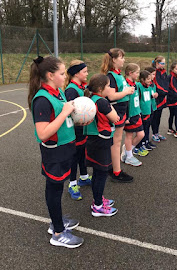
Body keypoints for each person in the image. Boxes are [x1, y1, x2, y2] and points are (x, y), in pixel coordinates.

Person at [28, 55, 83, 248]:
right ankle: (58, 232)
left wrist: (78, 117)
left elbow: (63, 119)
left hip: (65, 148)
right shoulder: (42, 99)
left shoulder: (58, 92)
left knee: (58, 187)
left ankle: (56, 219)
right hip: (54, 153)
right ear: (50, 75)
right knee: (54, 187)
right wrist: (64, 113)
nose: (65, 76)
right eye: (62, 73)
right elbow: (43, 133)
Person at [84, 74, 119, 216]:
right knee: (101, 173)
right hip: (100, 141)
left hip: (95, 141)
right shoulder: (102, 102)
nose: (110, 88)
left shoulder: (92, 99)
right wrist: (110, 103)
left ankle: (97, 199)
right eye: (108, 86)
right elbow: (115, 118)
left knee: (98, 173)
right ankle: (97, 206)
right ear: (100, 88)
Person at [101, 48, 135, 183]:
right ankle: (116, 171)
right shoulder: (110, 76)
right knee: (116, 143)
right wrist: (126, 91)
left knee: (115, 142)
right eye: (121, 57)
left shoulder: (118, 75)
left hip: (121, 111)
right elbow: (111, 96)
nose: (124, 60)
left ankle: (112, 167)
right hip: (115, 111)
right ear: (114, 60)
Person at [64, 60, 92, 201]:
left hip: (83, 128)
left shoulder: (82, 87)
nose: (87, 74)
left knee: (82, 153)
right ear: (76, 73)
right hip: (75, 130)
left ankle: (84, 177)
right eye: (85, 71)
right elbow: (71, 112)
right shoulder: (71, 90)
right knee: (74, 157)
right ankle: (72, 184)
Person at [120, 63, 146, 166]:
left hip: (136, 114)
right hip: (129, 116)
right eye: (137, 72)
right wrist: (125, 116)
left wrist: (139, 111)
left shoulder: (135, 84)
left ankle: (127, 149)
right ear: (130, 73)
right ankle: (129, 156)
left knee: (141, 134)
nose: (138, 74)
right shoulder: (125, 85)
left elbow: (137, 99)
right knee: (129, 135)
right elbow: (124, 102)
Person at [135, 70, 155, 152]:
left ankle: (145, 142)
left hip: (148, 112)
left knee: (147, 128)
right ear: (142, 80)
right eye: (148, 79)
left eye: (150, 79)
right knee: (141, 131)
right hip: (142, 113)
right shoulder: (139, 86)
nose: (150, 81)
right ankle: (138, 145)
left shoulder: (149, 87)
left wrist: (153, 95)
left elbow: (148, 97)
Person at [152, 56, 169, 142]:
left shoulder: (163, 72)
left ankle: (157, 132)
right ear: (157, 63)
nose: (164, 65)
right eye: (162, 63)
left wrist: (166, 91)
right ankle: (154, 134)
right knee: (154, 117)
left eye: (164, 63)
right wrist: (164, 92)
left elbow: (166, 83)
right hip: (156, 99)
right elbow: (156, 85)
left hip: (162, 98)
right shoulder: (154, 72)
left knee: (158, 117)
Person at [167, 61, 177, 139]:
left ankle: (174, 129)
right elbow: (170, 89)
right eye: (176, 69)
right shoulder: (170, 77)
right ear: (172, 69)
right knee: (173, 115)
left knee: (176, 115)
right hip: (172, 100)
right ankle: (174, 130)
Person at [145, 66, 158, 147]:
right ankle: (144, 142)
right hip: (147, 109)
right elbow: (145, 97)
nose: (154, 76)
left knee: (149, 126)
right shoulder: (145, 86)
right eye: (153, 74)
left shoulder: (153, 84)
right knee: (145, 127)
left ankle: (147, 140)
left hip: (152, 107)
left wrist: (155, 95)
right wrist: (151, 96)